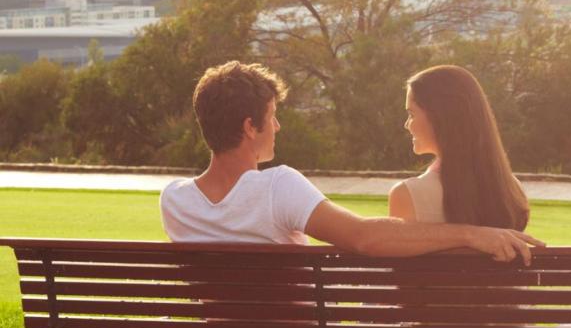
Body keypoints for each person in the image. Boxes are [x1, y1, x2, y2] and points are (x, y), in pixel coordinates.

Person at [160, 61, 541, 263]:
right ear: (249, 127)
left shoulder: (174, 202)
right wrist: (472, 234)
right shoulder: (279, 186)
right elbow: (365, 237)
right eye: (272, 115)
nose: (276, 126)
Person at [389, 65, 529, 231]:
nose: (407, 125)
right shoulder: (511, 189)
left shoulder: (407, 195)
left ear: (439, 117)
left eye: (412, 114)